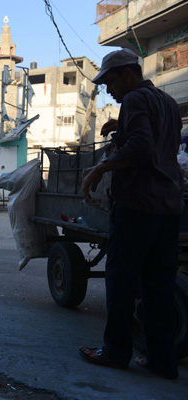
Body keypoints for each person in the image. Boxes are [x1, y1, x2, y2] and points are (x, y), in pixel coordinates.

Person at [80, 48, 183, 379]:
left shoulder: (135, 100)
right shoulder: (166, 101)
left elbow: (141, 149)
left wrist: (99, 169)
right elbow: (153, 141)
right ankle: (162, 361)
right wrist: (119, 127)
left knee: (121, 281)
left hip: (138, 204)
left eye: (110, 81)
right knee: (159, 287)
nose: (108, 89)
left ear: (128, 74)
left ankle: (115, 351)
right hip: (169, 206)